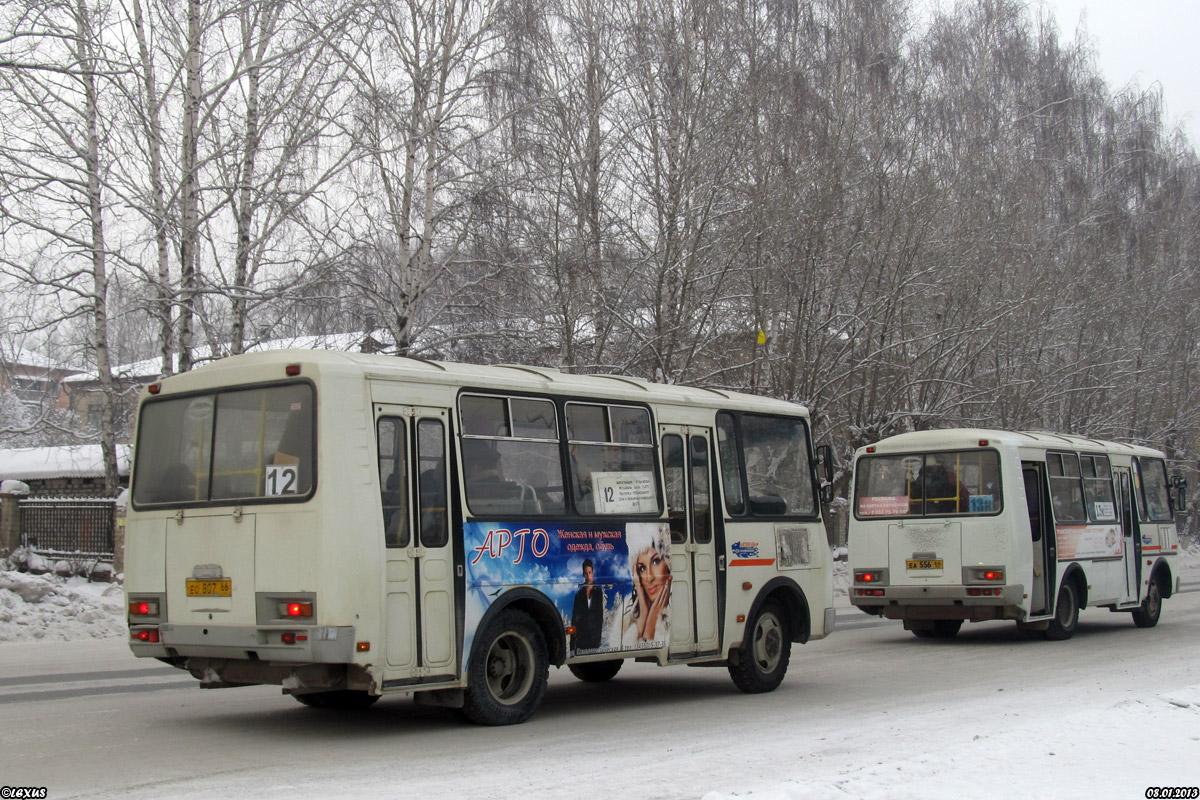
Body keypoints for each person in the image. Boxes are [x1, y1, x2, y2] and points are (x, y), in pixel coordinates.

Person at [624, 524, 671, 646]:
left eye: (656, 561)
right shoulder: (626, 617)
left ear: (668, 563)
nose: (649, 577)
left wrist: (651, 624)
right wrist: (645, 614)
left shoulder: (674, 614)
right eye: (642, 568)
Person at [570, 559, 604, 651]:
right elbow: (574, 619)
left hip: (594, 640)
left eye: (590, 572)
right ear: (583, 574)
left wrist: (598, 639)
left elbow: (600, 617)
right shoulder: (579, 595)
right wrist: (572, 645)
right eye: (586, 573)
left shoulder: (598, 592)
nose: (588, 576)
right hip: (582, 641)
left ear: (593, 573)